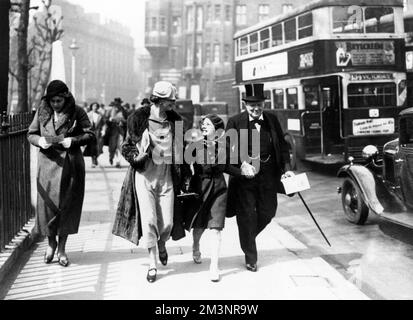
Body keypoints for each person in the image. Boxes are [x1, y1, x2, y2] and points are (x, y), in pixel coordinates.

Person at [112, 81, 188, 283]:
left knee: (168, 222)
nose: (173, 103)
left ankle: (162, 243)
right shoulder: (138, 119)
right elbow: (127, 147)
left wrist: (187, 172)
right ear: (159, 100)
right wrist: (136, 158)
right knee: (148, 220)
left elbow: (183, 151)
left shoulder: (176, 121)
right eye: (170, 100)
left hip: (167, 175)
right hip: (144, 175)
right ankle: (152, 263)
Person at [226, 83, 293, 272]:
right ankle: (251, 257)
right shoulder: (235, 121)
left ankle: (247, 238)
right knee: (246, 215)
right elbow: (227, 150)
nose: (255, 109)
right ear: (244, 105)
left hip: (269, 175)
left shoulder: (272, 119)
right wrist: (241, 164)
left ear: (264, 103)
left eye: (259, 105)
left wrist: (287, 169)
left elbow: (283, 146)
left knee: (268, 212)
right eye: (251, 105)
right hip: (245, 178)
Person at [27, 80, 95, 267]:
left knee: (66, 207)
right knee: (47, 207)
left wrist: (73, 141)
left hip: (70, 166)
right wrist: (40, 141)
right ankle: (51, 244)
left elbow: (90, 134)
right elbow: (30, 133)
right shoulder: (42, 112)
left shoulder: (77, 111)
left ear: (65, 98)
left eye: (59, 101)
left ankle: (62, 249)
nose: (56, 104)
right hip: (47, 166)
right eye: (52, 101)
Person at [182, 114, 240, 282]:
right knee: (199, 227)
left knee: (216, 228)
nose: (204, 126)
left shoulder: (224, 146)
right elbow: (185, 165)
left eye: (208, 124)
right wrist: (184, 181)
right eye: (203, 124)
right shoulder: (195, 145)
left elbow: (228, 166)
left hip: (220, 189)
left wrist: (243, 172)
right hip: (201, 188)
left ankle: (214, 266)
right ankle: (196, 245)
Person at [107, 98, 127, 168]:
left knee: (120, 146)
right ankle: (111, 157)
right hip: (112, 131)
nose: (117, 106)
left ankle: (118, 162)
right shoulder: (110, 111)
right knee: (113, 147)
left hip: (121, 131)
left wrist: (123, 122)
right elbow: (105, 120)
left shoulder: (123, 111)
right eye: (116, 105)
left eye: (118, 104)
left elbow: (127, 120)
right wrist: (110, 120)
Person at [83, 102, 104, 167]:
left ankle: (95, 158)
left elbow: (104, 124)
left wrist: (104, 130)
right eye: (94, 106)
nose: (95, 107)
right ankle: (93, 161)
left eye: (96, 106)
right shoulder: (88, 114)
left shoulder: (100, 115)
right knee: (92, 147)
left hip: (98, 133)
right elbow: (84, 123)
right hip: (90, 133)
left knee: (99, 147)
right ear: (91, 107)